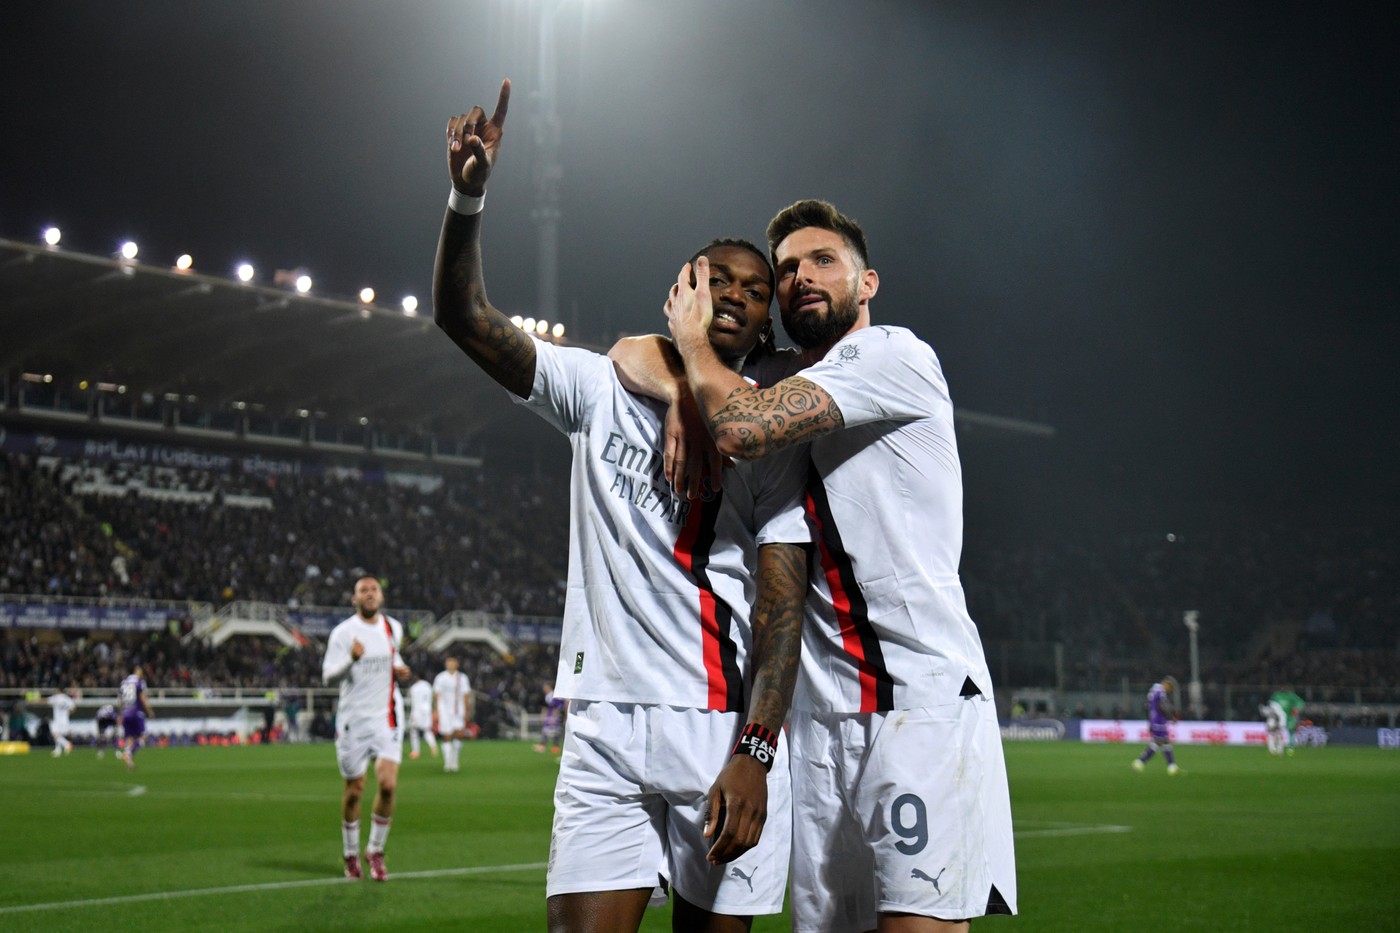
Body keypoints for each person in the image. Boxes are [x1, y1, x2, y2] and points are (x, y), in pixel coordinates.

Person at [433, 80, 811, 932]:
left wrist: (755, 751)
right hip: (602, 725)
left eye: (756, 289)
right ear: (681, 290)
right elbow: (462, 317)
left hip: (718, 726)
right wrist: (468, 195)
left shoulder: (770, 433)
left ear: (764, 329)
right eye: (719, 277)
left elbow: (782, 606)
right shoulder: (598, 387)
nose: (739, 293)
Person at [644, 198, 1018, 930]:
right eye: (785, 269)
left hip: (916, 702)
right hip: (818, 725)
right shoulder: (779, 372)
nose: (800, 277)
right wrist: (675, 379)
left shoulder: (894, 356)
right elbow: (638, 354)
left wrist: (691, 365)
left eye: (823, 260)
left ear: (867, 282)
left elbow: (745, 426)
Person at [321, 575, 412, 882]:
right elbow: (327, 678)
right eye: (363, 590)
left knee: (387, 785)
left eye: (374, 589)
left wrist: (400, 670)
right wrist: (351, 659)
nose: (369, 594)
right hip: (354, 721)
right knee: (354, 790)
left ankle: (375, 850)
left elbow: (392, 658)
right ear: (354, 599)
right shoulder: (343, 633)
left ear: (381, 596)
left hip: (387, 717)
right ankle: (350, 854)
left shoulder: (393, 628)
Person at [1133, 676, 1181, 775]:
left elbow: (1147, 706)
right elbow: (1162, 706)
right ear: (1166, 685)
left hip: (1155, 720)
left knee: (1164, 742)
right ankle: (1140, 761)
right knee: (1158, 743)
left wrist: (1150, 721)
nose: (1170, 691)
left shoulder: (1154, 690)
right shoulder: (1161, 692)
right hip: (1159, 721)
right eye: (1170, 688)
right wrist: (1171, 717)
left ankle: (1172, 766)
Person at [432, 656, 472, 773]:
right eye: (448, 662)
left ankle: (455, 759)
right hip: (444, 710)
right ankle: (447, 762)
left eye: (453, 662)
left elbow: (466, 695)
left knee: (459, 734)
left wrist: (467, 711)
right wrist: (436, 711)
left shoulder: (462, 678)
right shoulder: (440, 677)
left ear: (457, 664)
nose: (450, 664)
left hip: (459, 710)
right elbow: (436, 694)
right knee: (447, 735)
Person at [118, 665, 154, 770]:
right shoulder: (140, 682)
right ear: (137, 671)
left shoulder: (123, 683)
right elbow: (143, 698)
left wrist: (121, 714)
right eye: (141, 670)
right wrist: (150, 711)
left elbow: (120, 701)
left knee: (129, 738)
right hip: (136, 713)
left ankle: (129, 762)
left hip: (125, 713)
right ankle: (129, 753)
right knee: (143, 736)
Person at [1262, 688, 1305, 756]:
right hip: (1275, 719)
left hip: (1287, 717)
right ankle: (1273, 750)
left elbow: (1300, 702)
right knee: (1273, 734)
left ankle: (1288, 747)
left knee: (1285, 732)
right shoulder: (1276, 698)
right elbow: (1269, 712)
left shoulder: (1291, 696)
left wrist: (1297, 709)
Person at [406, 675, 440, 760]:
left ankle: (415, 751)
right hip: (427, 711)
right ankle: (433, 747)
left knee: (413, 731)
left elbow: (414, 702)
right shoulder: (428, 686)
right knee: (427, 730)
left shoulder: (414, 687)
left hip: (417, 711)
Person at [535, 682, 565, 756]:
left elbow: (557, 707)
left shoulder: (552, 695)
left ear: (549, 687)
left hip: (554, 716)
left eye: (545, 687)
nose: (544, 689)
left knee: (553, 731)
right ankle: (545, 746)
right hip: (552, 715)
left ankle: (554, 747)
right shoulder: (549, 695)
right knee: (547, 730)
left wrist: (554, 717)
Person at [46, 687, 77, 757]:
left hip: (57, 720)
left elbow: (46, 700)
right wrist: (67, 714)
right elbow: (73, 709)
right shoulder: (67, 699)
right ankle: (58, 751)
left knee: (55, 735)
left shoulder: (56, 697)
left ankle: (67, 744)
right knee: (58, 735)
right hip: (65, 720)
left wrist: (34, 699)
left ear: (59, 690)